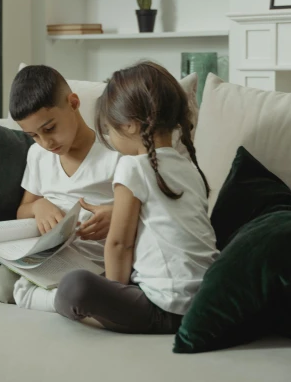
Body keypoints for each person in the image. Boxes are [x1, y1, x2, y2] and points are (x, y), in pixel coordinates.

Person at [0, 65, 119, 311]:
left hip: (78, 259)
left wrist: (118, 215)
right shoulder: (38, 154)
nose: (46, 142)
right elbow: (23, 210)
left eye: (49, 129)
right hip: (32, 247)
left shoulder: (116, 153)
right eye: (33, 135)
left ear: (73, 102)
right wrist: (39, 206)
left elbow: (152, 209)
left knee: (3, 285)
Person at [54, 61, 219, 333]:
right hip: (205, 300)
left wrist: (114, 289)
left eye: (108, 128)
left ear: (130, 126)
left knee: (74, 287)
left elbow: (119, 244)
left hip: (164, 309)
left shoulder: (132, 167)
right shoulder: (190, 169)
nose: (108, 135)